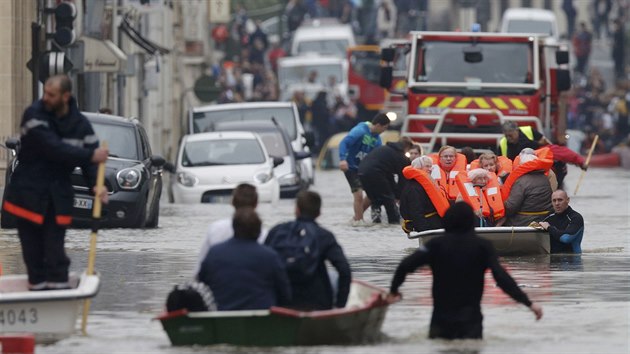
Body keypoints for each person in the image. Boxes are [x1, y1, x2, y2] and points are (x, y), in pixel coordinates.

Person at [2, 75, 109, 290]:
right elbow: (52, 148)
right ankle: (38, 291)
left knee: (55, 252)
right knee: (33, 254)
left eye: (51, 95)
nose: (45, 98)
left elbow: (90, 161)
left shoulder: (80, 125)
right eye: (45, 93)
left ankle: (58, 294)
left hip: (57, 197)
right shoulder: (34, 115)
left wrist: (96, 184)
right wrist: (90, 157)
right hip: (28, 195)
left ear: (65, 96)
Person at [386, 202, 543, 340]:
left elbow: (405, 265)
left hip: (441, 319)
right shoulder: (482, 246)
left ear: (447, 220)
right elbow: (501, 277)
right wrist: (528, 303)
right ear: (470, 222)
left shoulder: (436, 245)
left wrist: (393, 291)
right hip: (471, 321)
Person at [265, 191, 351, 311]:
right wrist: (340, 305)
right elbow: (344, 270)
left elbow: (262, 266)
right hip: (317, 303)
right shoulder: (325, 236)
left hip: (282, 301)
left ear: (297, 210)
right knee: (333, 277)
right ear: (319, 213)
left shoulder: (277, 231)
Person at [197, 208, 291, 310]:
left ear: (234, 228)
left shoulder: (214, 253)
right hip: (262, 318)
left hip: (222, 317)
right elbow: (285, 294)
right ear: (259, 231)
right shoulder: (270, 256)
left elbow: (201, 282)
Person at [194, 183, 266, 275]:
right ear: (256, 204)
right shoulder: (264, 234)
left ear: (232, 202)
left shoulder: (215, 229)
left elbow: (199, 272)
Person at [338, 113, 390, 225]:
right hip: (350, 167)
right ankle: (359, 222)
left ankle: (356, 218)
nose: (384, 131)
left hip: (363, 169)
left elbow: (377, 157)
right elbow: (344, 142)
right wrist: (342, 159)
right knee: (359, 195)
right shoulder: (360, 130)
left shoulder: (377, 140)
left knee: (372, 194)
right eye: (384, 128)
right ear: (378, 125)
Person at [358, 137, 413, 224]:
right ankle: (393, 222)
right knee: (388, 199)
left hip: (362, 172)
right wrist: (398, 196)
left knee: (375, 199)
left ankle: (375, 221)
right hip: (376, 173)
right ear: (407, 147)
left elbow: (388, 175)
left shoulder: (384, 149)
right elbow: (403, 179)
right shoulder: (400, 156)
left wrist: (395, 191)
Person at [502, 149, 553, 226]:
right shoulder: (545, 179)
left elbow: (511, 208)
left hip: (523, 222)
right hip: (544, 219)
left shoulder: (521, 182)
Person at [399, 156, 449, 233]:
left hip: (435, 223)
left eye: (431, 166)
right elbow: (416, 211)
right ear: (418, 168)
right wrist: (425, 230)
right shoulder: (414, 188)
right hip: (428, 225)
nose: (430, 169)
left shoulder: (422, 185)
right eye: (427, 166)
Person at [539, 189, 585, 254]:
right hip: (553, 260)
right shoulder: (548, 217)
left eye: (560, 200)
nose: (557, 203)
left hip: (573, 260)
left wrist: (549, 228)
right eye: (554, 200)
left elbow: (566, 238)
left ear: (567, 200)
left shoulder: (576, 218)